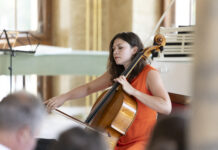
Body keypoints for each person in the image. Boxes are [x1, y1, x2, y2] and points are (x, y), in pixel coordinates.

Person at [45, 32, 172, 150]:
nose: (115, 51)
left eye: (120, 47)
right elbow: (88, 88)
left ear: (134, 50)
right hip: (113, 139)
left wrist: (133, 91)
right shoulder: (116, 73)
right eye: (113, 49)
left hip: (141, 141)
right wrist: (63, 97)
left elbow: (166, 107)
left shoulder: (149, 74)